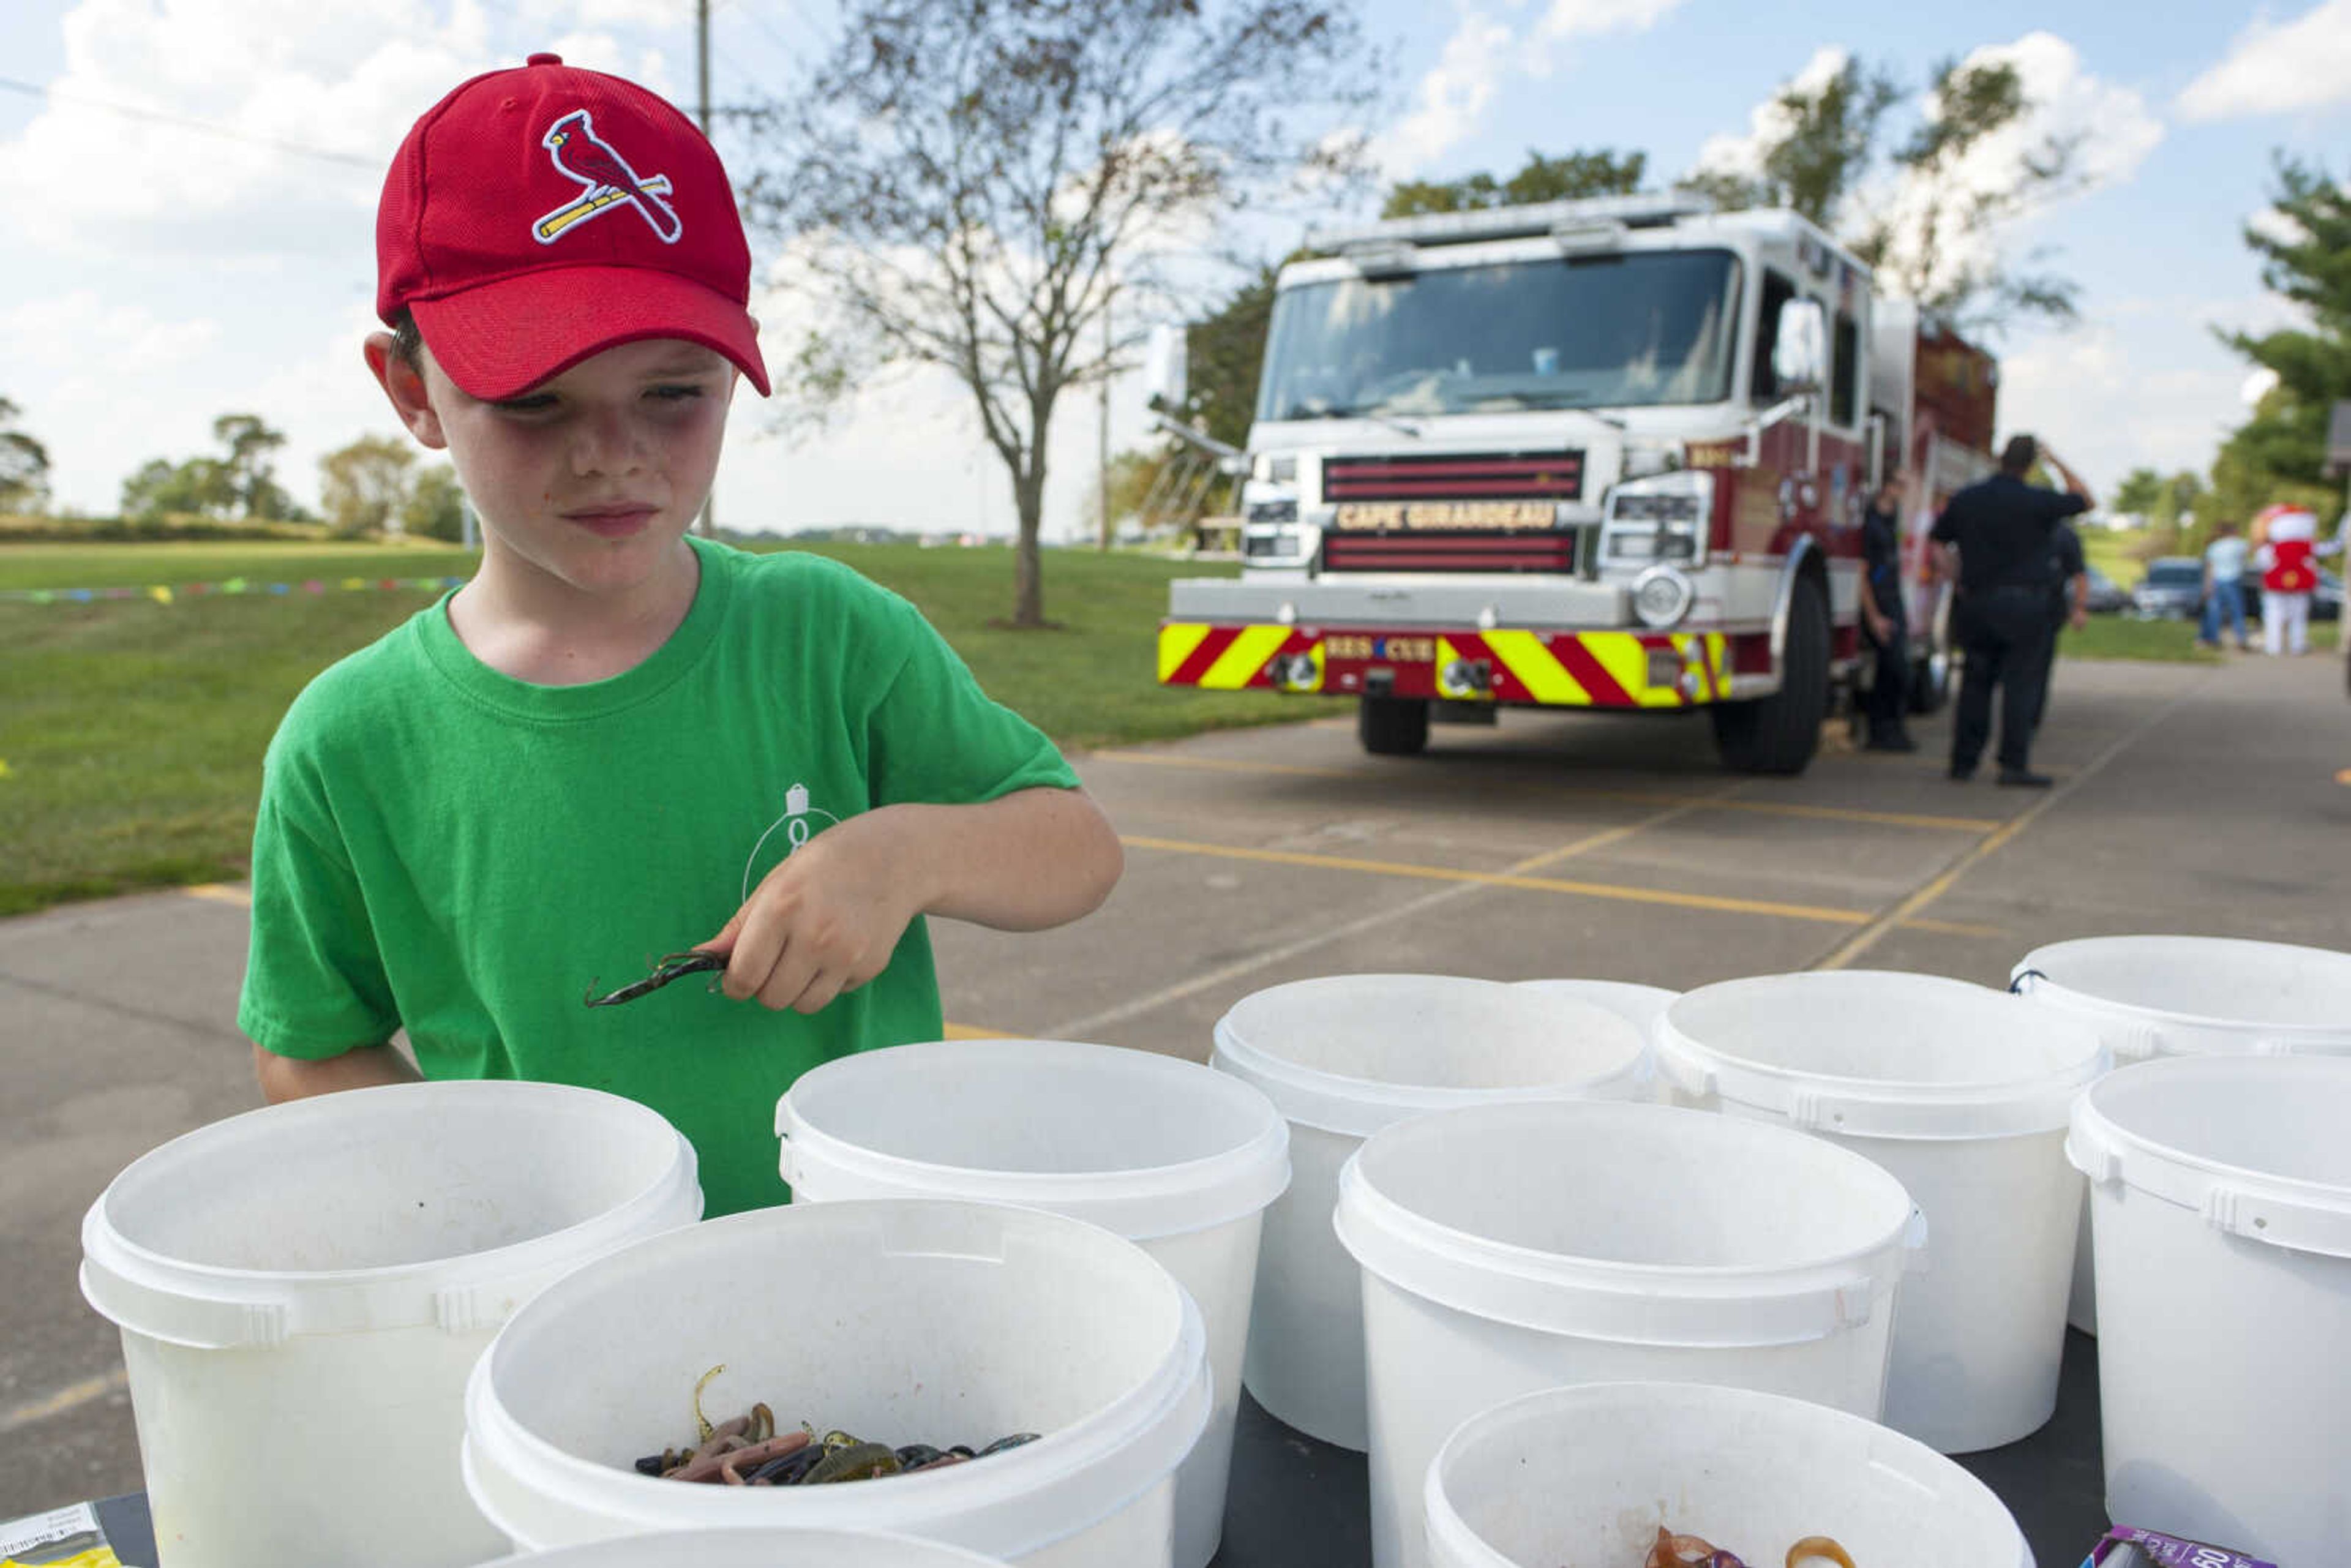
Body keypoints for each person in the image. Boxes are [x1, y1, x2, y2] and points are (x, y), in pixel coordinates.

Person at [238, 54, 1125, 1217]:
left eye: (674, 391)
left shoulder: (829, 634)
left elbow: (1077, 849)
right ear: (410, 391)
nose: (613, 451)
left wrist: (901, 855)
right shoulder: (351, 740)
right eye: (535, 400)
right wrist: (470, 1202)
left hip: (867, 1270)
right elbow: (307, 1043)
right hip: (554, 1317)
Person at [1927, 434, 2094, 787]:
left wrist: (1955, 577)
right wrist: (2056, 460)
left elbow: (1938, 542)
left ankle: (1964, 761)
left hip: (1977, 601)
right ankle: (2013, 765)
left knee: (1975, 683)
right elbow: (2086, 499)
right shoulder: (2037, 501)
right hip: (2025, 604)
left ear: (2000, 458)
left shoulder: (1968, 498)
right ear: (2030, 465)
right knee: (2021, 686)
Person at [1856, 478, 1915, 751]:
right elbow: (1863, 574)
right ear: (1885, 485)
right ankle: (1881, 730)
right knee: (1894, 668)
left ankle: (1893, 729)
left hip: (1893, 600)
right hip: (1880, 605)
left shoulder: (1891, 520)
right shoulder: (1871, 524)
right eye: (1900, 484)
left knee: (1899, 670)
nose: (1904, 491)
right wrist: (1874, 617)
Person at [2033, 519, 2090, 733]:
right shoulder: (2064, 533)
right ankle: (2028, 721)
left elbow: (2078, 574)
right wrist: (2080, 608)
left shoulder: (2062, 534)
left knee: (2032, 669)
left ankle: (2028, 720)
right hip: (2044, 607)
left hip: (2045, 607)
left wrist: (2080, 607)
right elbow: (2079, 574)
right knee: (2034, 670)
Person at [2252, 503, 2322, 656]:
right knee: (2299, 616)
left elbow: (2262, 562)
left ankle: (2274, 646)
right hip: (2300, 586)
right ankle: (2297, 645)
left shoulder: (2271, 547)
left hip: (2276, 585)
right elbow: (2313, 564)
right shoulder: (2308, 547)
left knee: (2274, 615)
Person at [2198, 520, 2250, 651]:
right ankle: (2241, 638)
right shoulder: (2239, 544)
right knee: (2237, 611)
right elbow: (2246, 557)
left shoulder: (2214, 546)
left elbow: (2209, 568)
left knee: (2214, 612)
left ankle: (2212, 638)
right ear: (2233, 531)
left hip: (2217, 581)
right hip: (2233, 580)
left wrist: (2207, 586)